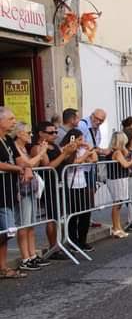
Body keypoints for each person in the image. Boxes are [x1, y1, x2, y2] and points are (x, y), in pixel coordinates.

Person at [32, 121, 78, 260]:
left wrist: (71, 151)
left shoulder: (55, 146)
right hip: (49, 185)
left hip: (60, 183)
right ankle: (53, 247)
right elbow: (48, 166)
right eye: (51, 132)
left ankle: (60, 244)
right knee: (52, 217)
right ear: (41, 133)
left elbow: (65, 161)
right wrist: (64, 154)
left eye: (56, 132)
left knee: (61, 215)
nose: (55, 135)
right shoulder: (38, 148)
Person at [12, 122, 51, 270]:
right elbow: (27, 164)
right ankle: (25, 258)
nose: (31, 135)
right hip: (22, 189)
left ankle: (32, 255)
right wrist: (40, 153)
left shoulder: (25, 148)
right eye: (28, 133)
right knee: (24, 224)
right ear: (19, 134)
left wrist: (42, 152)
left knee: (31, 225)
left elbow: (35, 165)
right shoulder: (15, 147)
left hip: (31, 188)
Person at [0, 108, 34, 278]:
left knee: (6, 232)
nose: (14, 121)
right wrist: (17, 168)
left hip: (8, 191)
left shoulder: (7, 139)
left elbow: (20, 160)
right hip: (1, 192)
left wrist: (26, 168)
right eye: (11, 119)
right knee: (6, 230)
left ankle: (3, 267)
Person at [59, 128, 98, 252]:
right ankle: (73, 241)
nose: (82, 141)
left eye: (82, 139)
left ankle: (82, 240)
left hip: (82, 184)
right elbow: (72, 162)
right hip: (71, 185)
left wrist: (89, 148)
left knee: (85, 214)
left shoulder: (82, 150)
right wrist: (82, 154)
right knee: (73, 215)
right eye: (79, 139)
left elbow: (94, 159)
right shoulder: (66, 149)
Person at [108, 131, 132, 238]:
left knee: (119, 203)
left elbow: (128, 156)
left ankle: (118, 227)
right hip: (116, 179)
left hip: (119, 178)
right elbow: (125, 164)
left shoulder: (118, 151)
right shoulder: (117, 152)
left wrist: (126, 151)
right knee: (117, 203)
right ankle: (115, 228)